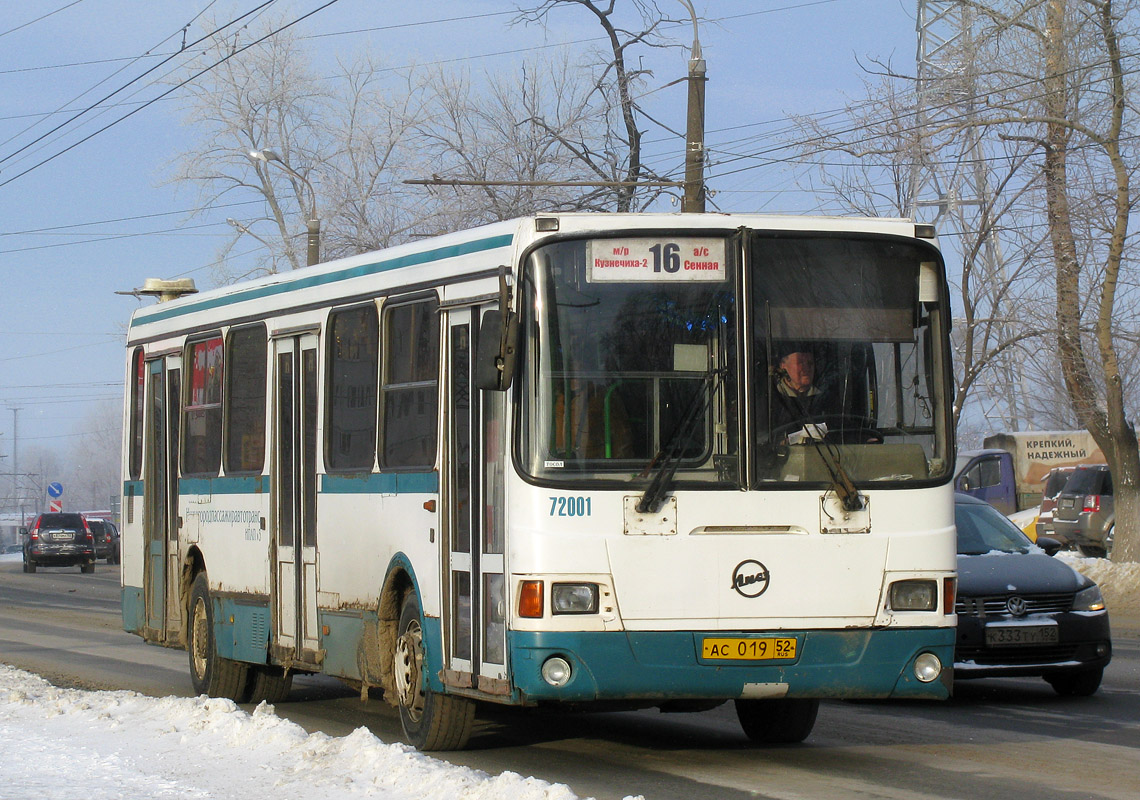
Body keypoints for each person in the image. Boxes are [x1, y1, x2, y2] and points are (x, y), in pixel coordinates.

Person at [768, 343, 827, 436]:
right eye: (800, 362)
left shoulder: (827, 399)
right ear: (783, 365)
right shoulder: (770, 398)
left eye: (810, 363)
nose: (807, 368)